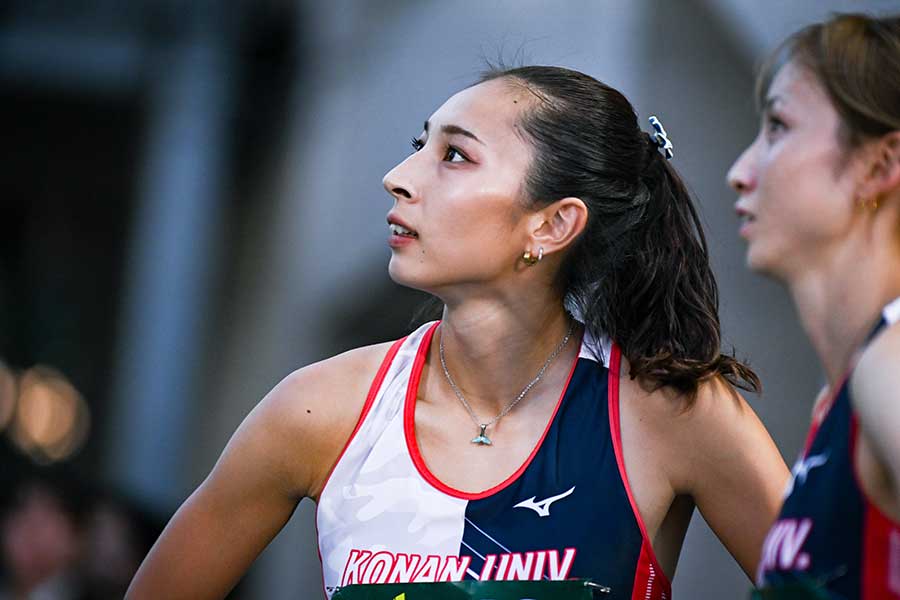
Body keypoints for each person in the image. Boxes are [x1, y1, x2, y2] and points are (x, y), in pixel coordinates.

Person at [127, 65, 788, 600]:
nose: (399, 176)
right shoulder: (317, 410)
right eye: (421, 145)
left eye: (454, 156)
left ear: (552, 225)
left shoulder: (668, 413)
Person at [727, 13, 900, 598]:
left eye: (778, 126)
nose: (739, 172)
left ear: (880, 165)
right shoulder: (850, 389)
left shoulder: (890, 367)